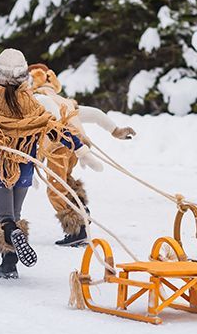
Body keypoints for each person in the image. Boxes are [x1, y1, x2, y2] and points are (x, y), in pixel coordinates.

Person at [0, 49, 102, 279]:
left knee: (4, 218)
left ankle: (9, 258)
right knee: (16, 213)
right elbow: (56, 128)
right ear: (23, 77)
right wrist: (81, 149)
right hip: (24, 168)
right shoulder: (32, 104)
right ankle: (10, 260)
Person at [28, 63, 136, 247]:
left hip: (58, 146)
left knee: (56, 188)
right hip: (75, 148)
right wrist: (115, 130)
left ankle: (76, 229)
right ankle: (80, 209)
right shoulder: (65, 101)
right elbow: (94, 113)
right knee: (66, 180)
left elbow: (48, 128)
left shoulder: (38, 99)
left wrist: (34, 162)